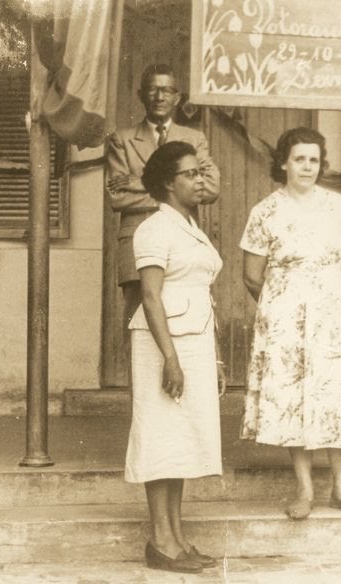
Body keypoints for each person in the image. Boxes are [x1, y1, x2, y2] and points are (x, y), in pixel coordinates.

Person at [240, 127, 341, 520]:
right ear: (283, 162)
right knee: (295, 396)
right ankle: (304, 489)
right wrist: (283, 306)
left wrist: (323, 296)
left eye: (314, 160)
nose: (307, 167)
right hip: (285, 317)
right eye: (299, 159)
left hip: (334, 315)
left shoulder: (339, 206)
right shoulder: (265, 210)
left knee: (338, 393)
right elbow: (251, 275)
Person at [124, 141, 226, 574]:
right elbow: (150, 296)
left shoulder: (191, 226)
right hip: (163, 343)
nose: (199, 180)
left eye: (200, 173)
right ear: (168, 182)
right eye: (190, 174)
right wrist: (170, 358)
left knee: (183, 439)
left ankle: (178, 538)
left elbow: (202, 295)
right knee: (161, 435)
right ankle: (160, 541)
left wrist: (215, 357)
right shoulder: (153, 228)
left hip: (195, 341)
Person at [105, 63, 220, 330]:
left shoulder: (194, 139)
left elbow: (212, 188)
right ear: (141, 94)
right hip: (137, 244)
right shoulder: (123, 139)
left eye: (167, 90)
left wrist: (139, 183)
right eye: (153, 90)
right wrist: (178, 193)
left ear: (177, 97)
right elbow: (117, 198)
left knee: (188, 323)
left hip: (184, 244)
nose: (160, 97)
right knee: (139, 327)